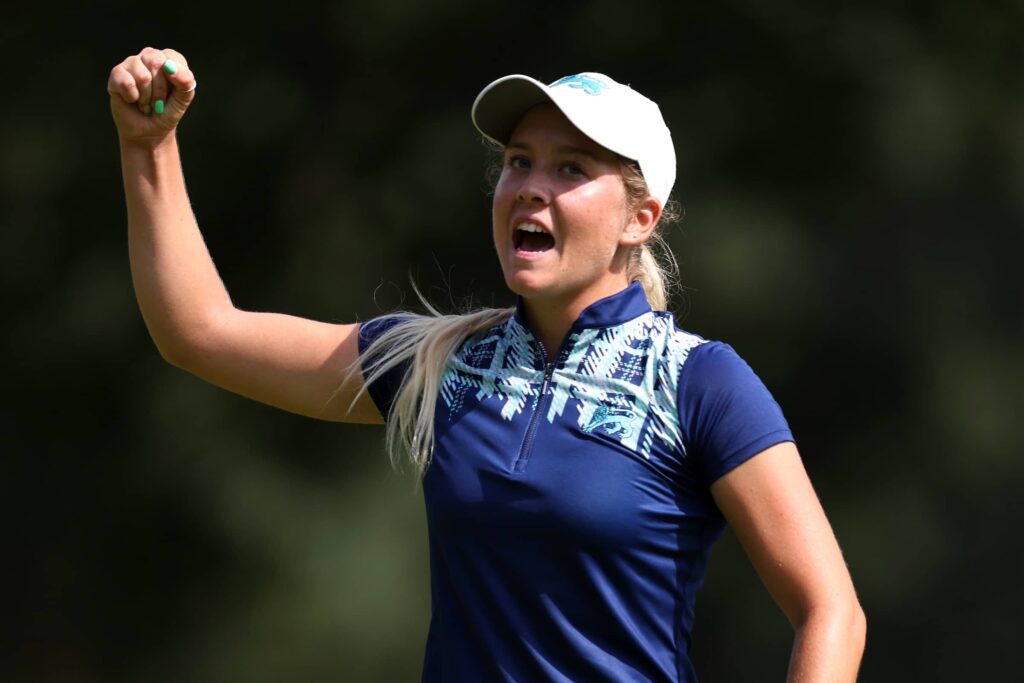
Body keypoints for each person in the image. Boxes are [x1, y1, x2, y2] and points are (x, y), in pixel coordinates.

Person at [108, 47, 866, 682]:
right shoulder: (436, 361)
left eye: (571, 168)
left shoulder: (700, 382)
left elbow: (829, 607)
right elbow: (198, 330)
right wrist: (150, 148)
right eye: (518, 161)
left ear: (641, 217)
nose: (531, 185)